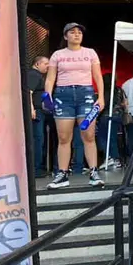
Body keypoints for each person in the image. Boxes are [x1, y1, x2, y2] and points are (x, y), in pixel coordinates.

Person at [45, 23, 106, 189]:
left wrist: (100, 97)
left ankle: (93, 172)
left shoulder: (90, 53)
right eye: (72, 32)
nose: (77, 34)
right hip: (63, 96)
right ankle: (62, 174)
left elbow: (98, 76)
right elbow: (50, 78)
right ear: (65, 36)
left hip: (85, 94)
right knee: (64, 137)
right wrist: (48, 95)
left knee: (89, 135)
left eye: (79, 32)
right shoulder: (57, 55)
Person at [27, 56, 50, 177]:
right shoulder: (33, 75)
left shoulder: (38, 76)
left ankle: (38, 167)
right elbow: (28, 92)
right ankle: (36, 168)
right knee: (38, 139)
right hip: (36, 112)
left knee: (40, 138)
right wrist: (32, 109)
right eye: (45, 63)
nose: (48, 66)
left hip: (40, 111)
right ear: (37, 64)